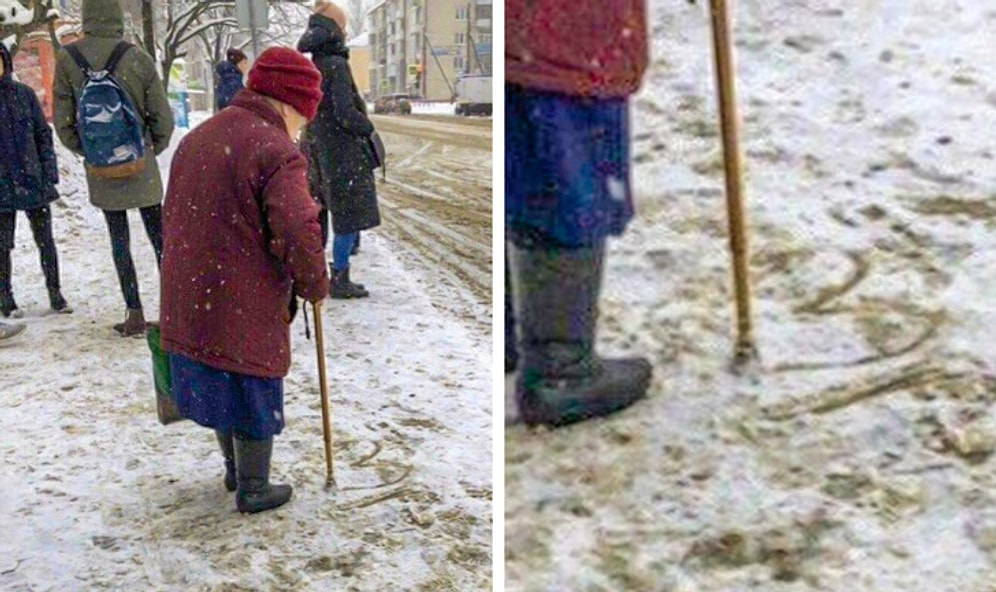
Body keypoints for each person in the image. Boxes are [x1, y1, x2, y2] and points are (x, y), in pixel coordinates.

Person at [160, 47, 329, 514]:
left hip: (194, 287)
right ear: (289, 103)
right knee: (253, 379)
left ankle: (236, 470)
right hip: (242, 291)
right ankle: (254, 487)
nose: (303, 126)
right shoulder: (276, 150)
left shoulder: (200, 136)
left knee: (220, 374)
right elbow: (298, 228)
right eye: (304, 115)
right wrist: (314, 283)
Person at [506, 0, 653, 427]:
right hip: (567, 40)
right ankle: (559, 369)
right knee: (566, 188)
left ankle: (519, 338)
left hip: (528, 40)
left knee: (528, 173)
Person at [53, 0, 174, 337]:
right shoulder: (137, 57)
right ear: (118, 17)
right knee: (160, 239)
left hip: (101, 168)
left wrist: (93, 152)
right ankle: (175, 309)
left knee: (118, 240)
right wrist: (149, 150)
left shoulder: (68, 59)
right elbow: (162, 117)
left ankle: (134, 312)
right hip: (140, 163)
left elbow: (63, 124)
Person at [298, 1, 381, 299]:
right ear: (335, 30)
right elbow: (346, 112)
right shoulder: (336, 64)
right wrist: (366, 126)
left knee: (334, 212)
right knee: (347, 216)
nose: (346, 33)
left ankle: (332, 273)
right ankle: (340, 278)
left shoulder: (316, 63)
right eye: (343, 27)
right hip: (343, 152)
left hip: (323, 148)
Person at [0, 41, 71, 318]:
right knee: (2, 246)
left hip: (33, 179)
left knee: (46, 241)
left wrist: (48, 171)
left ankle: (56, 293)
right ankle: (6, 298)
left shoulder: (24, 95)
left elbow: (43, 135)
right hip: (2, 186)